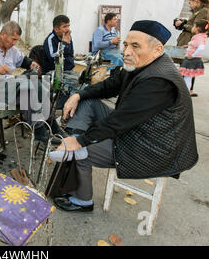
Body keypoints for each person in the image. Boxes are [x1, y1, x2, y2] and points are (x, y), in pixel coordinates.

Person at [48, 20, 198, 212]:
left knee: (80, 149)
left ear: (157, 49)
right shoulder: (140, 63)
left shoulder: (159, 82)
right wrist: (78, 95)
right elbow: (109, 86)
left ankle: (82, 199)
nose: (126, 51)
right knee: (87, 102)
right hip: (137, 128)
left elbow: (119, 122)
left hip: (154, 148)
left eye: (136, 46)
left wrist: (82, 142)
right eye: (126, 44)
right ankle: (72, 141)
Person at [0, 21, 64, 143]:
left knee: (37, 86)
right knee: (27, 87)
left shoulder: (11, 49)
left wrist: (31, 63)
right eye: (13, 39)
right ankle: (44, 128)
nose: (14, 43)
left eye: (16, 40)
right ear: (2, 34)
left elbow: (22, 60)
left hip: (6, 85)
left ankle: (48, 126)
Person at [179, 18, 209, 97]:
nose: (192, 28)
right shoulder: (201, 36)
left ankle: (185, 93)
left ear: (197, 28)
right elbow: (196, 45)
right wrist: (188, 45)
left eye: (194, 26)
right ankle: (186, 91)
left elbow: (201, 47)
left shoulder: (199, 37)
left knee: (187, 77)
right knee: (188, 77)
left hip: (192, 60)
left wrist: (193, 55)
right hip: (193, 60)